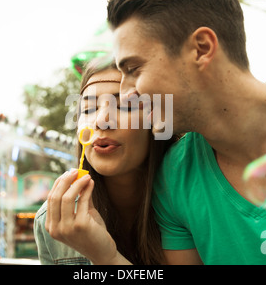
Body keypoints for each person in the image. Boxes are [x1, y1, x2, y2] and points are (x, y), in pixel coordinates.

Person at [45, 0, 266, 265]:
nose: (126, 94)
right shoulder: (175, 176)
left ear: (201, 48)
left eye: (134, 69)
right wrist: (105, 256)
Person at [34, 54, 177, 264]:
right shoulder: (54, 220)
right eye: (88, 109)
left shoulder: (193, 201)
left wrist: (105, 258)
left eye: (125, 106)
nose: (102, 121)